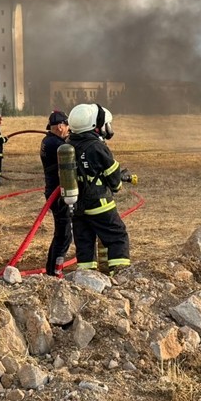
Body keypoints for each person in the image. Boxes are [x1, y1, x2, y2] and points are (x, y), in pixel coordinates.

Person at [67, 103, 131, 273]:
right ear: (94, 125)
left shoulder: (68, 144)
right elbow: (113, 178)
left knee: (85, 243)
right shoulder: (96, 147)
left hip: (76, 205)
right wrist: (118, 183)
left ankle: (86, 279)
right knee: (118, 236)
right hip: (99, 203)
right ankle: (120, 275)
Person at [39, 109, 73, 276]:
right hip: (58, 195)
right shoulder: (57, 146)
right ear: (60, 126)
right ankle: (55, 270)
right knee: (65, 234)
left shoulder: (48, 141)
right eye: (67, 126)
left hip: (54, 192)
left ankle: (51, 268)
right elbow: (71, 153)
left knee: (61, 232)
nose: (68, 129)